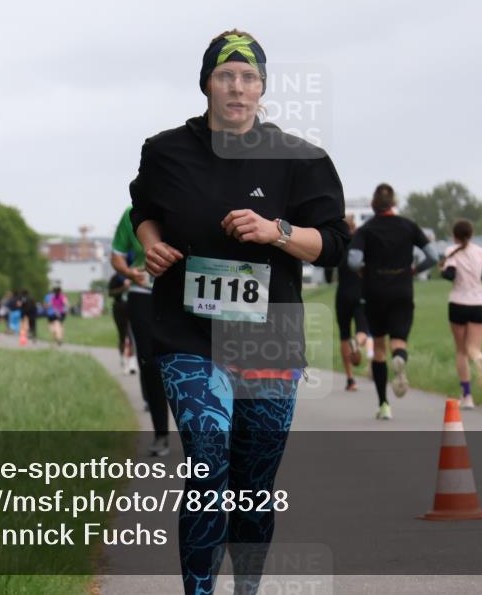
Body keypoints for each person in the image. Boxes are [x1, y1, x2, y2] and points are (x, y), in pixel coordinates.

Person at [129, 29, 349, 595]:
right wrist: (151, 242)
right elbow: (144, 211)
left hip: (268, 338)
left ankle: (246, 588)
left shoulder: (301, 159)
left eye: (249, 77)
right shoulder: (165, 151)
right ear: (206, 83)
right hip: (188, 333)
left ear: (263, 88)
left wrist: (276, 232)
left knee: (253, 485)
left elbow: (333, 245)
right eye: (225, 75)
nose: (237, 87)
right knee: (207, 456)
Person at [347, 183, 438, 420]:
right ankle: (400, 358)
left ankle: (384, 405)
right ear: (394, 204)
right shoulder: (408, 226)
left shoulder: (365, 230)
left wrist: (364, 270)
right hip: (402, 290)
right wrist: (416, 270)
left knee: (378, 348)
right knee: (398, 341)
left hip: (375, 291)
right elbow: (434, 256)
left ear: (372, 205)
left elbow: (354, 261)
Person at [112, 205, 170, 455]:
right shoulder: (130, 213)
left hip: (183, 293)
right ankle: (161, 435)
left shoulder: (190, 196)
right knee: (150, 362)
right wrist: (129, 272)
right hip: (143, 292)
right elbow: (116, 256)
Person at [439, 220, 482, 409]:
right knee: (473, 348)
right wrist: (476, 275)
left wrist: (442, 271)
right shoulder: (481, 251)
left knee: (460, 351)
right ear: (471, 234)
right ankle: (479, 358)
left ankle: (467, 396)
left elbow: (450, 275)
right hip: (478, 303)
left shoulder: (451, 251)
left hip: (457, 303)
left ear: (454, 234)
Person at [326, 215, 371, 391]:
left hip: (342, 294)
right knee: (363, 330)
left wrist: (329, 278)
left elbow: (328, 269)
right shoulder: (362, 246)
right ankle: (357, 342)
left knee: (343, 335)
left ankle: (350, 379)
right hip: (360, 294)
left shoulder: (339, 244)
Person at [108, 271, 135, 374]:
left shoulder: (134, 275)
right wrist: (123, 288)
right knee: (122, 335)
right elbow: (110, 293)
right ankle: (123, 360)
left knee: (131, 334)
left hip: (132, 308)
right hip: (119, 308)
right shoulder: (116, 277)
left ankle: (132, 363)